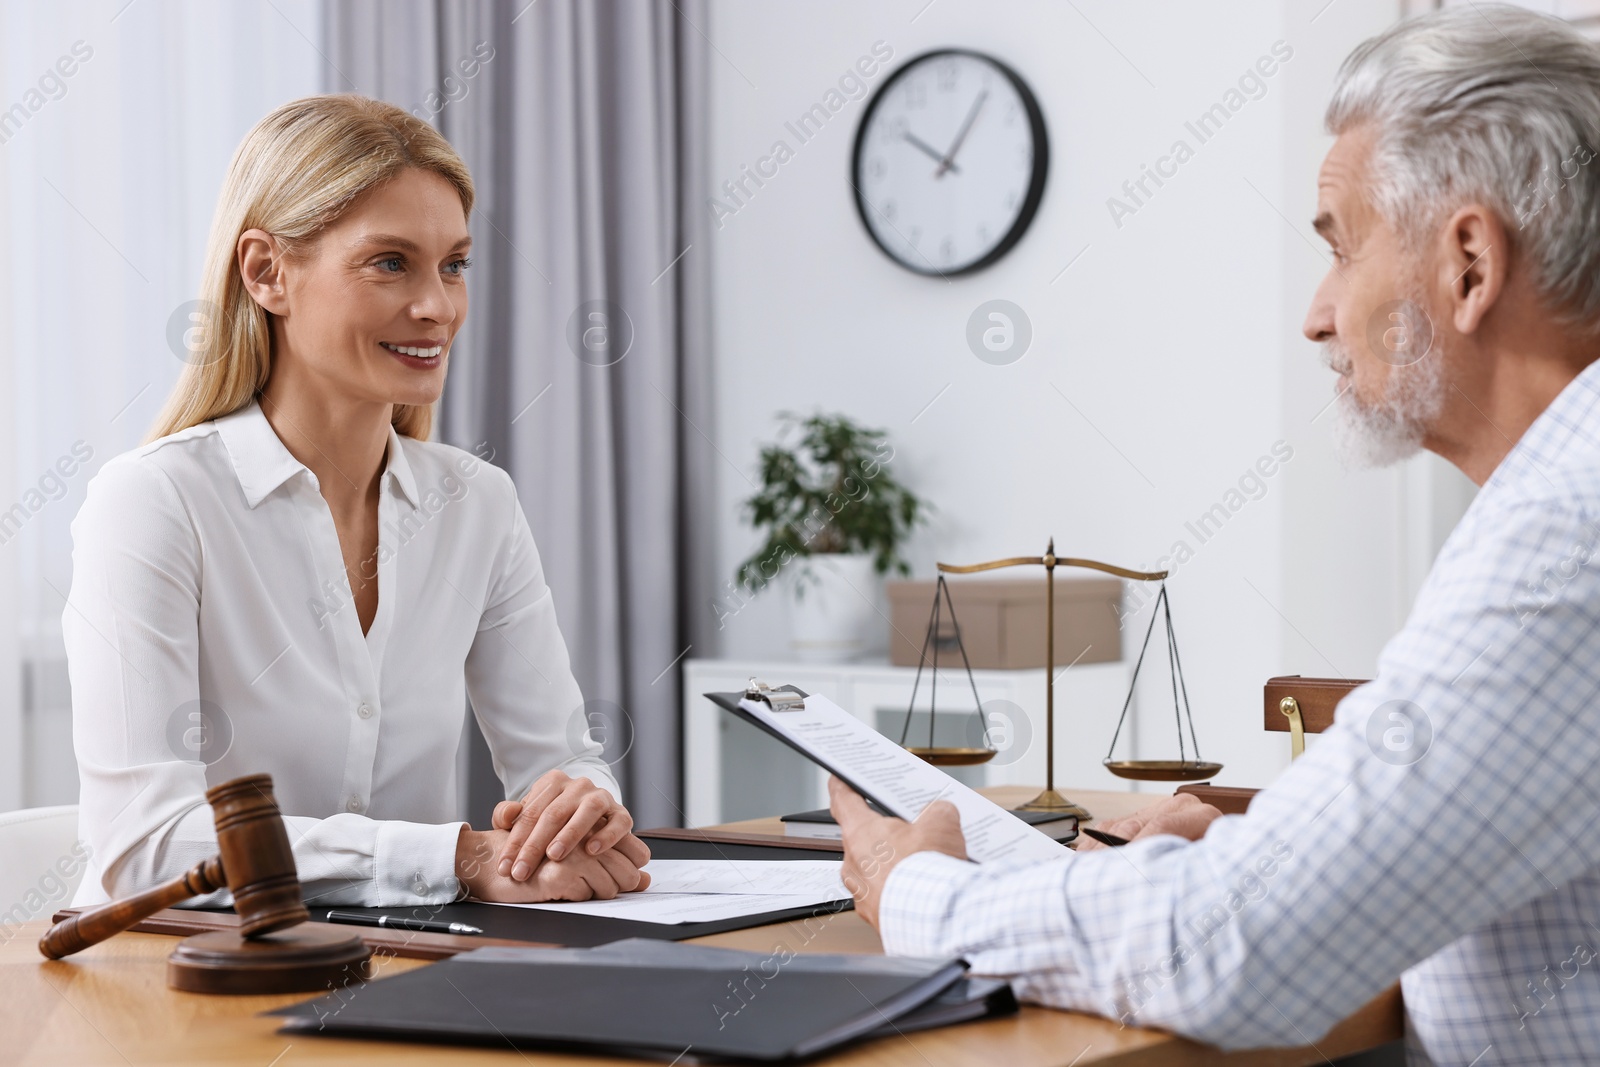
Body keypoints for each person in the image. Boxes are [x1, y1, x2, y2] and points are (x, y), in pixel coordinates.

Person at [831, 7, 1600, 1062]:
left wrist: (915, 888)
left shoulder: (1565, 529)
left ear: (1468, 263)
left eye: (1338, 249)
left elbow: (1232, 942)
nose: (1317, 315)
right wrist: (1255, 841)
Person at [67, 95, 649, 911]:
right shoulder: (154, 504)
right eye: (390, 263)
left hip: (401, 974)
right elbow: (145, 845)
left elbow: (559, 754)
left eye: (454, 264)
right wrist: (455, 856)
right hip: (172, 988)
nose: (438, 307)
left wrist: (579, 805)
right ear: (266, 272)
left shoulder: (475, 503)